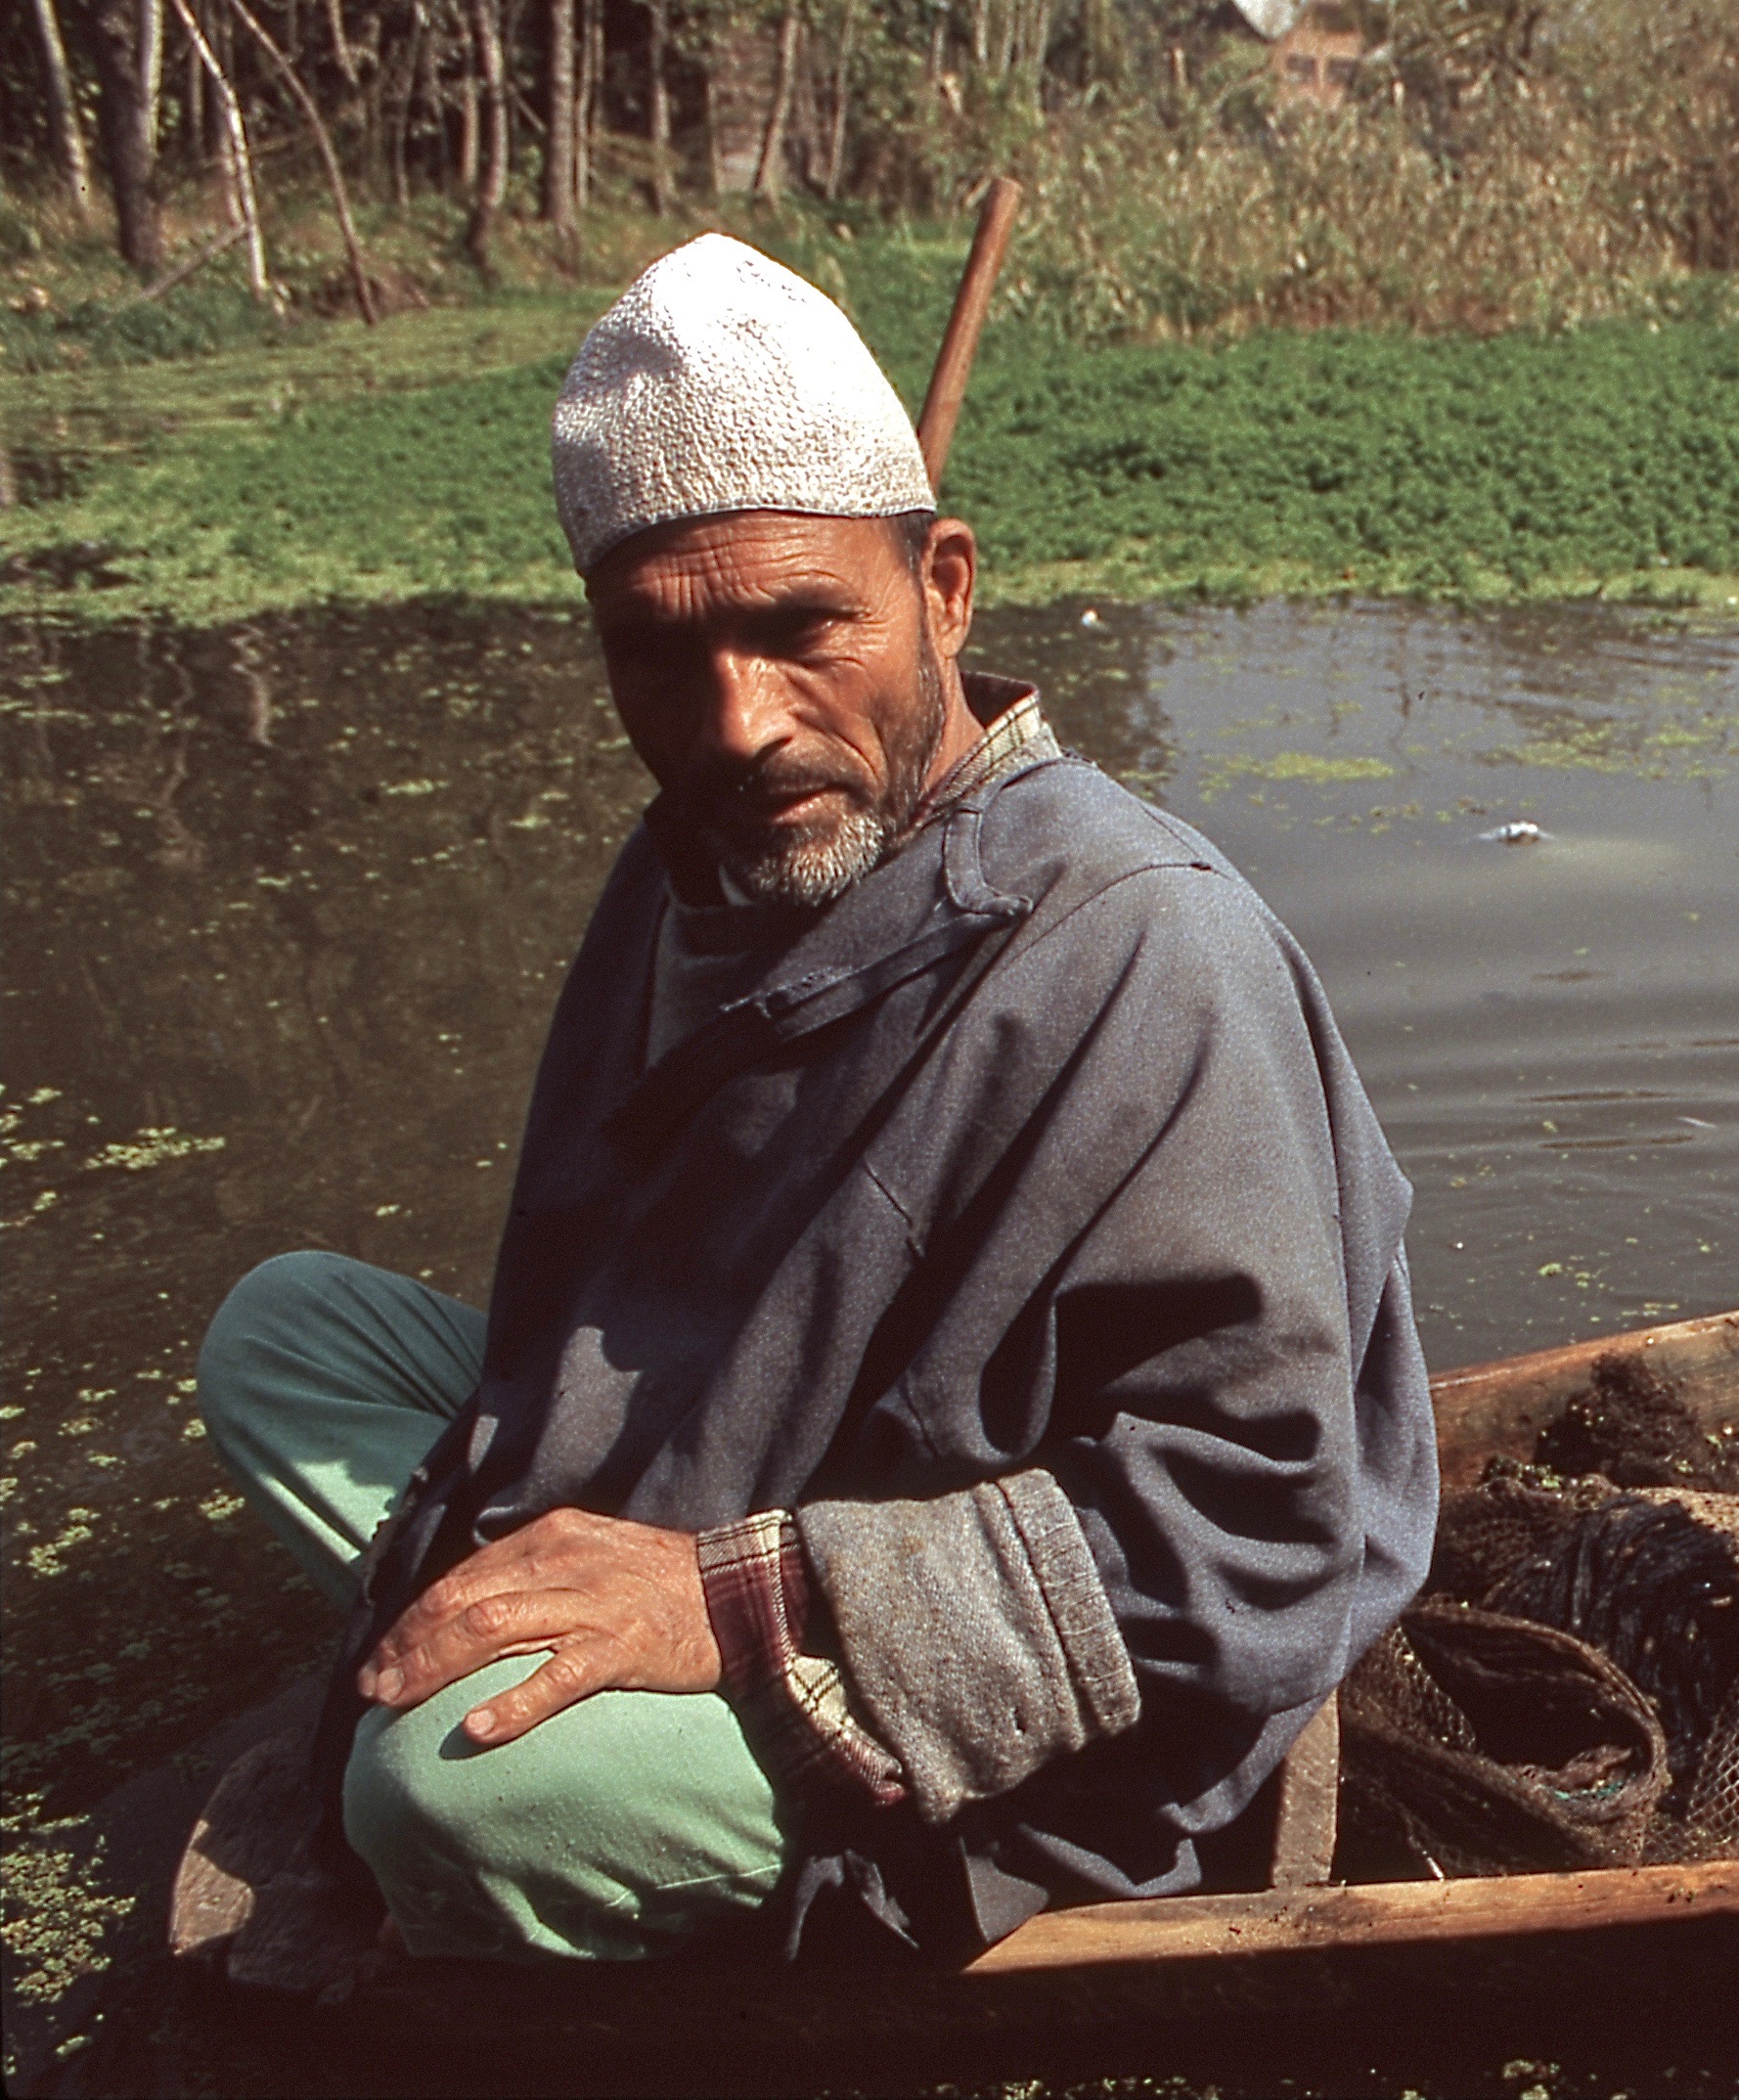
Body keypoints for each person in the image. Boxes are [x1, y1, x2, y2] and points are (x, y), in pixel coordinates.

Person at [192, 233, 1438, 1964]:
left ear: (945, 589)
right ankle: (552, 1633)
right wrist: (621, 1520)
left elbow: (1250, 1537)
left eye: (802, 629)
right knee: (284, 1337)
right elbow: (612, 1286)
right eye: (659, 652)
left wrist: (737, 1593)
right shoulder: (696, 860)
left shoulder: (1146, 949)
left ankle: (631, 1763)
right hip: (750, 1449)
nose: (737, 724)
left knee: (443, 1795)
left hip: (1022, 1640)